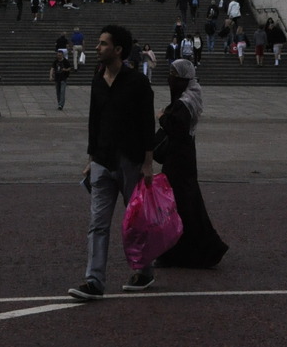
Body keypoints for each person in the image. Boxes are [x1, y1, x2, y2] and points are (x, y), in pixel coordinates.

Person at [68, 24, 155, 301]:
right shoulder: (97, 79)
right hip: (102, 161)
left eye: (103, 43)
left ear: (118, 50)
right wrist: (90, 158)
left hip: (130, 161)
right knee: (97, 224)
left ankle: (144, 271)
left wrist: (148, 163)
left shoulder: (138, 82)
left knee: (135, 222)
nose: (97, 47)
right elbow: (95, 121)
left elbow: (146, 124)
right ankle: (94, 281)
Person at [155, 59, 228, 268]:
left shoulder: (184, 103)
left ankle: (196, 249)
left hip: (179, 160)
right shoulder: (190, 97)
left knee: (182, 205)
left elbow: (176, 129)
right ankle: (183, 250)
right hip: (183, 158)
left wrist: (161, 117)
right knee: (185, 204)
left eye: (174, 74)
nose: (170, 78)